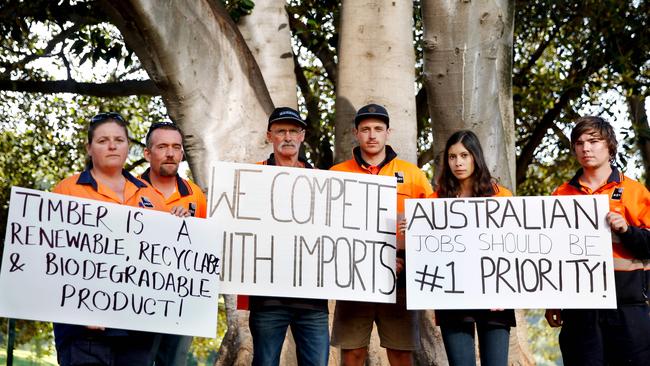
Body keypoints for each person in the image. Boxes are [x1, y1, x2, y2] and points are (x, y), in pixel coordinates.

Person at [52, 112, 167, 366]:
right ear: (89, 148)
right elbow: (51, 259)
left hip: (138, 327)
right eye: (103, 140)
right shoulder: (66, 191)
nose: (112, 145)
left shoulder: (152, 196)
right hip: (84, 330)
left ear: (128, 146)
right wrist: (78, 310)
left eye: (119, 139)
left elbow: (164, 260)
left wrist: (180, 225)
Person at [330, 103, 433, 366]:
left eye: (378, 129)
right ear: (356, 133)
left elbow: (432, 229)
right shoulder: (336, 174)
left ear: (389, 132)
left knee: (400, 354)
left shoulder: (413, 175)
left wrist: (406, 261)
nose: (372, 135)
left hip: (399, 279)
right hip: (353, 280)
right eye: (365, 129)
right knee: (352, 353)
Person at [544, 116, 650, 365]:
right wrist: (551, 301)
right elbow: (549, 254)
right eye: (579, 143)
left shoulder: (635, 192)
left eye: (593, 141)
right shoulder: (560, 195)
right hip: (579, 309)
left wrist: (627, 231)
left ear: (610, 146)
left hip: (628, 306)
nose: (586, 148)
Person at [248, 107, 330, 366]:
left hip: (312, 300)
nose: (288, 137)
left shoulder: (321, 181)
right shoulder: (250, 177)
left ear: (302, 136)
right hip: (267, 297)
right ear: (269, 136)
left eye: (293, 131)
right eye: (281, 131)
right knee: (265, 362)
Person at [428, 130, 514, 366]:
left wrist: (506, 289)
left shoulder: (502, 197)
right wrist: (412, 231)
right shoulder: (434, 201)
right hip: (453, 296)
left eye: (464, 155)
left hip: (495, 295)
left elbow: (513, 249)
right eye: (452, 156)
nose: (458, 162)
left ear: (476, 157)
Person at [140, 121, 207, 366]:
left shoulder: (195, 195)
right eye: (162, 146)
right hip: (137, 300)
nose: (170, 153)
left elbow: (204, 251)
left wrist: (190, 228)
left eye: (176, 147)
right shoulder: (129, 190)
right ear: (148, 153)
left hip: (180, 303)